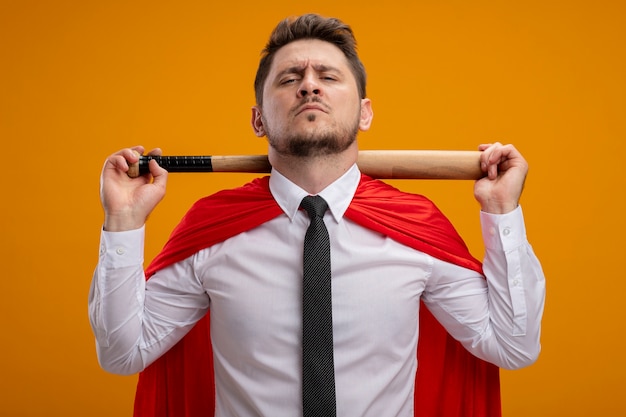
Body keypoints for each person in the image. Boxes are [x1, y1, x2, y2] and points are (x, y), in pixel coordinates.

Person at [89, 13, 546, 417]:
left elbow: (512, 344)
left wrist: (502, 209)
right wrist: (123, 223)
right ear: (258, 120)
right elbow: (122, 352)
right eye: (289, 79)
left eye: (328, 76)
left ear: (364, 112)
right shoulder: (212, 231)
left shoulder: (415, 228)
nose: (309, 84)